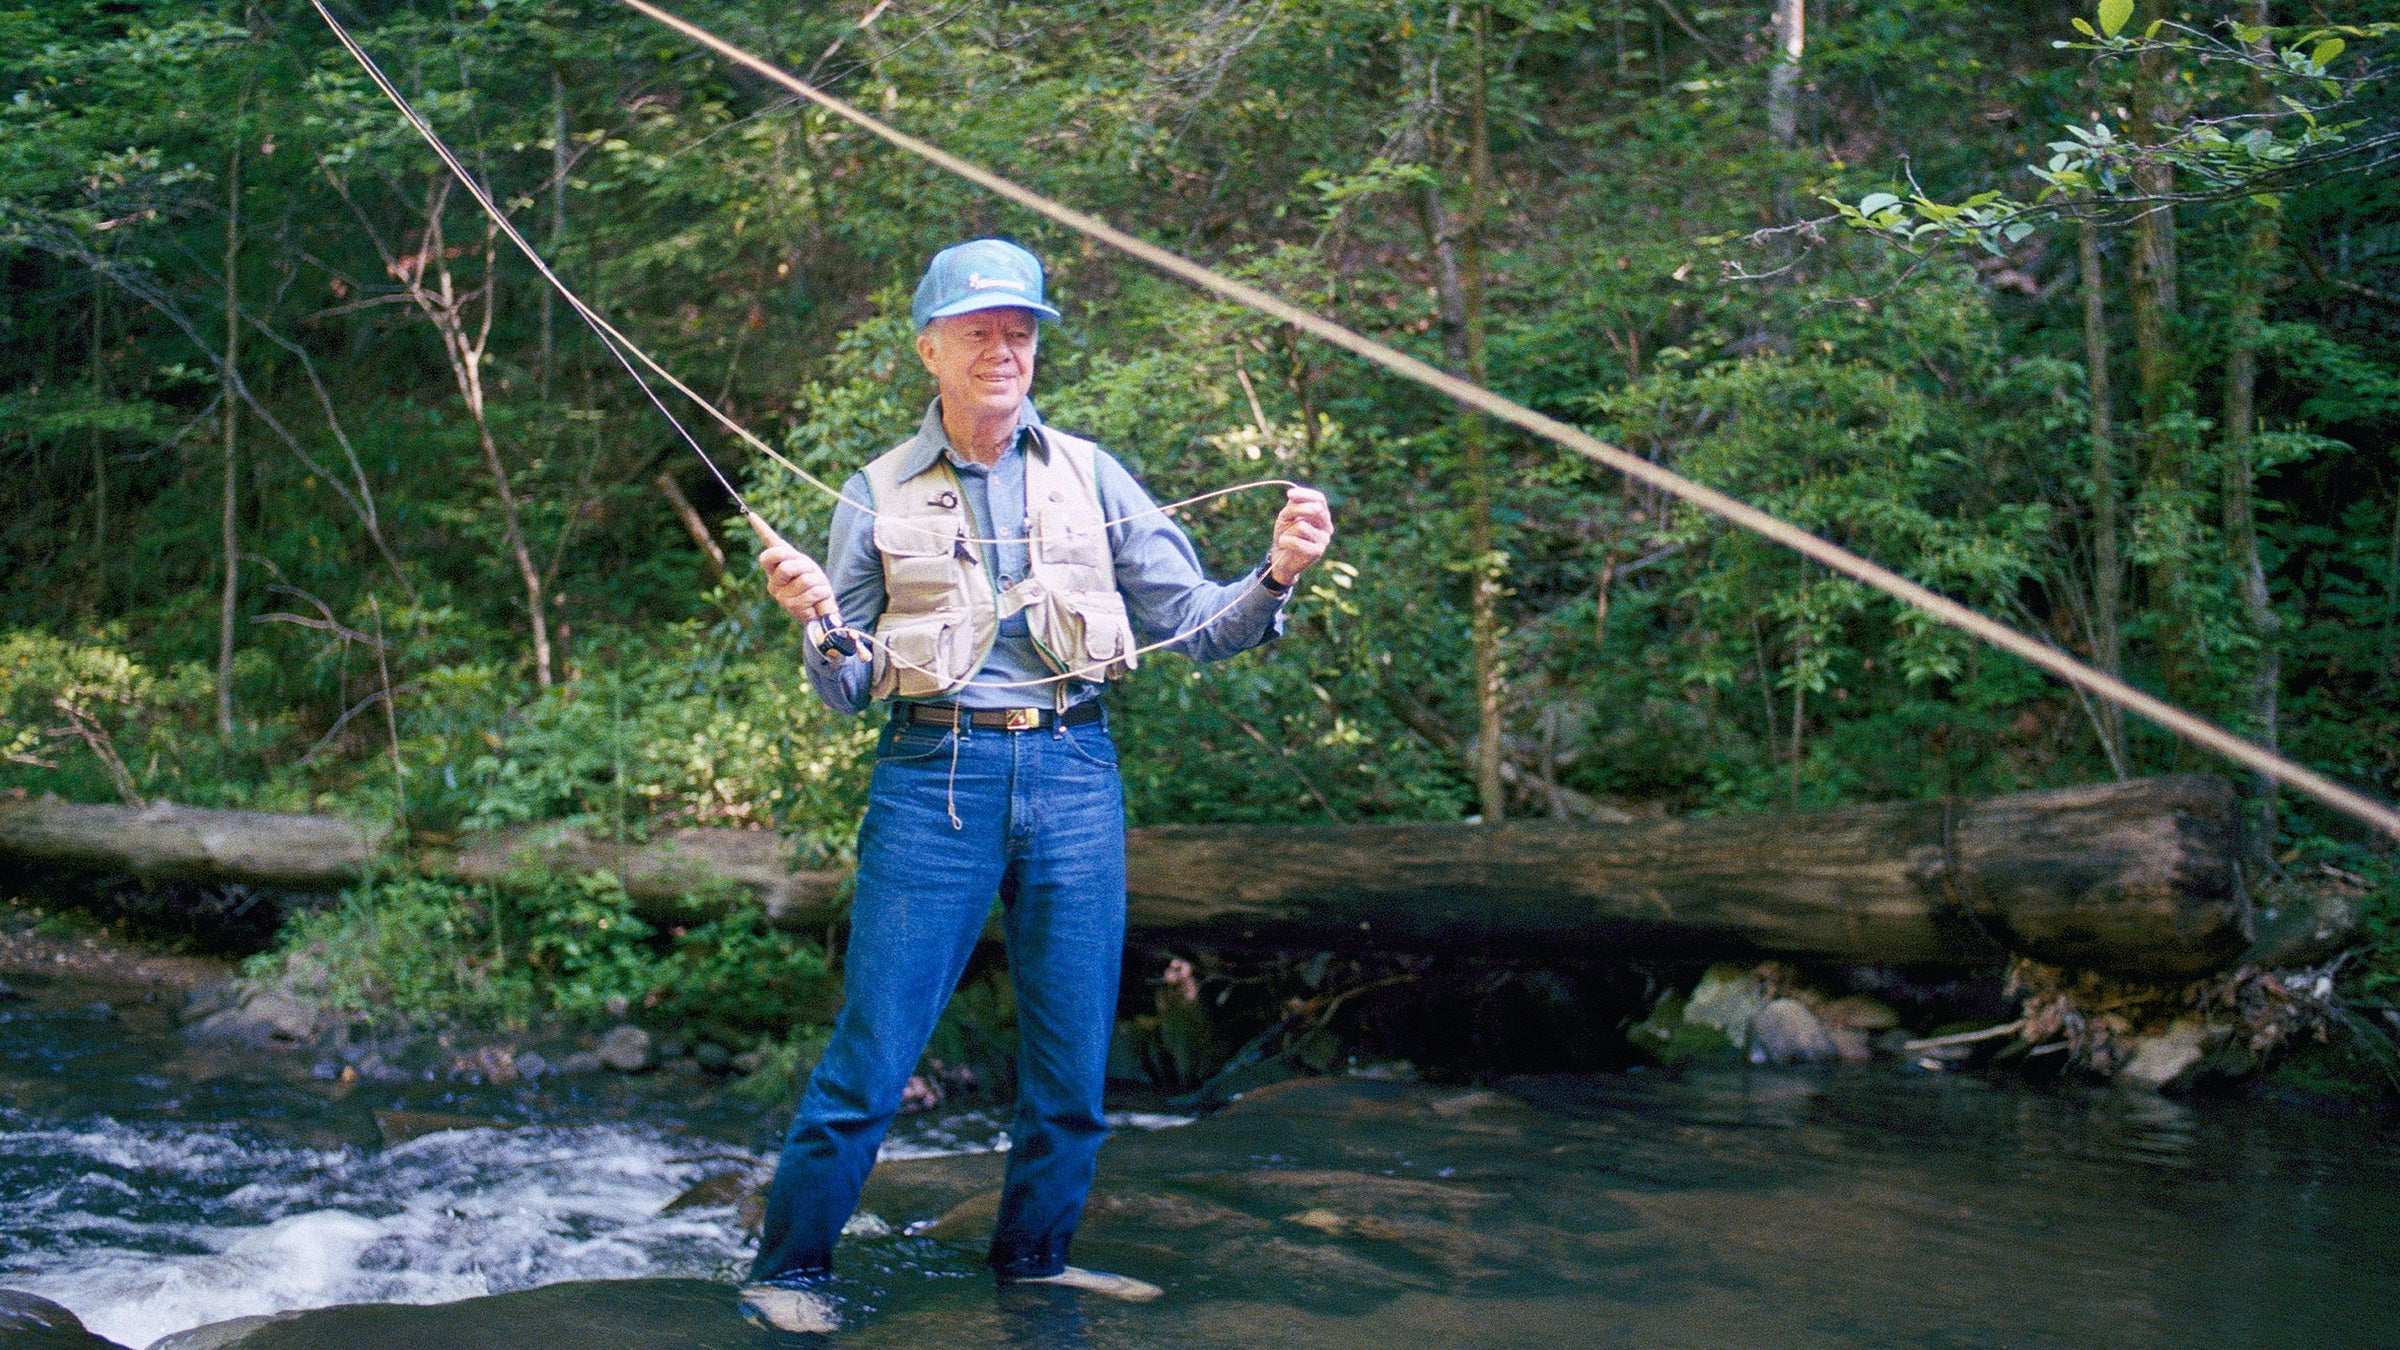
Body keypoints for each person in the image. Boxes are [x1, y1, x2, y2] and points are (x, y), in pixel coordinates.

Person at [739, 238, 1333, 1332]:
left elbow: (1199, 626)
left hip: (1075, 772)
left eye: (1021, 331)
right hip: (935, 779)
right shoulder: (872, 491)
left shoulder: (1093, 473)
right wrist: (817, 621)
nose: (1004, 348)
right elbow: (850, 686)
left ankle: (1036, 1262)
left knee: (1070, 1063)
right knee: (874, 1054)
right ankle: (790, 1271)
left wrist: (1280, 571)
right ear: (930, 349)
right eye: (979, 331)